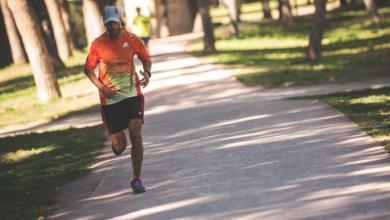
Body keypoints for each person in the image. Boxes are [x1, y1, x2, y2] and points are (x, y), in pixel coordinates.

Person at [84, 6, 152, 194]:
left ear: (121, 21)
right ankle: (117, 143)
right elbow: (88, 69)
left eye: (115, 22)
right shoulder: (98, 44)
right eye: (109, 24)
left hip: (132, 95)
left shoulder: (132, 40)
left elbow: (146, 58)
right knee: (120, 146)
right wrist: (102, 88)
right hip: (110, 101)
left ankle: (136, 179)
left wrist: (147, 73)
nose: (112, 26)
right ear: (105, 25)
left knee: (135, 133)